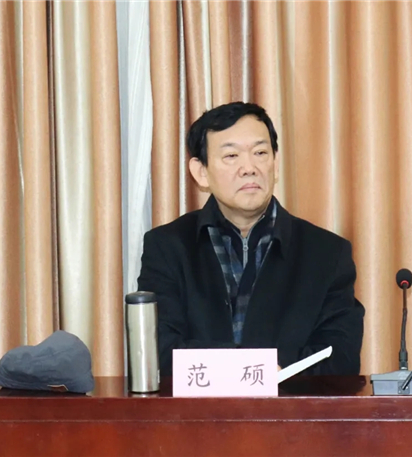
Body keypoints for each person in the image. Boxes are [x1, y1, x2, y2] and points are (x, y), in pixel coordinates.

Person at [138, 101, 364, 376]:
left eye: (260, 153)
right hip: (199, 405)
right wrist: (252, 369)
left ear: (275, 164)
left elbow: (340, 357)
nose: (249, 168)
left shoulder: (327, 253)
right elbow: (158, 350)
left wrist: (261, 371)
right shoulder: (167, 246)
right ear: (201, 172)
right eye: (231, 156)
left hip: (290, 403)